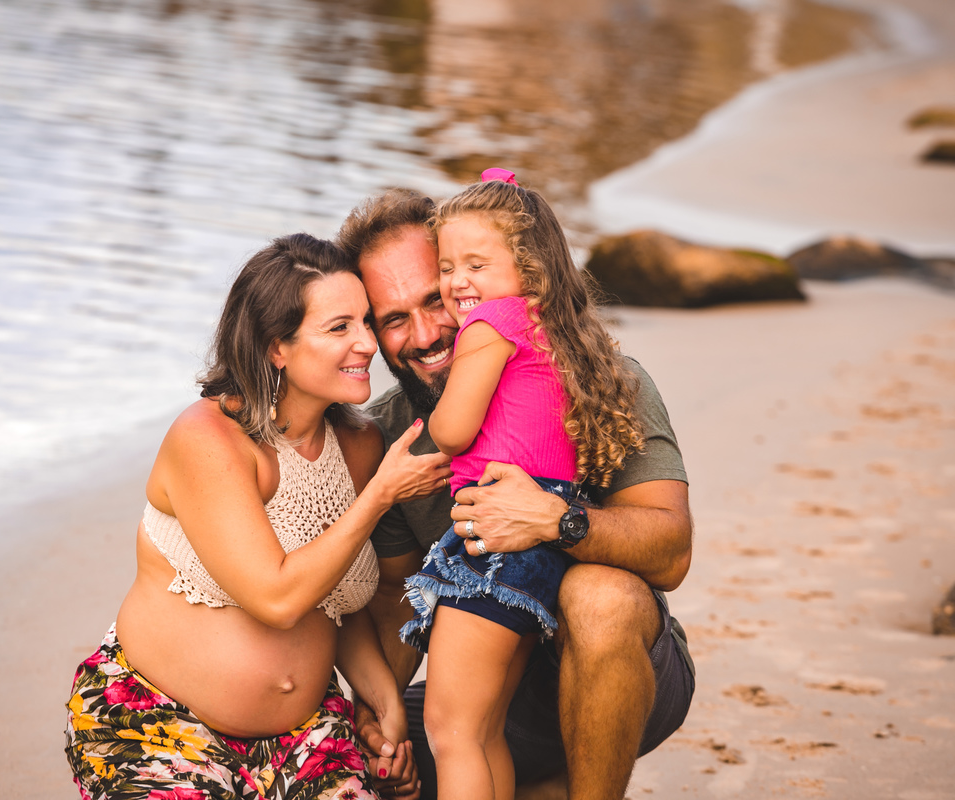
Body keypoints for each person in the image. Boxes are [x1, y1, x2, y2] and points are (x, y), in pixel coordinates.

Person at [337, 186, 696, 800]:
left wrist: (558, 520)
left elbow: (671, 552)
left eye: (436, 299)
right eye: (393, 319)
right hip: (497, 684)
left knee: (599, 597)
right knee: (376, 760)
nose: (425, 335)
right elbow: (397, 598)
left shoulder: (600, 380)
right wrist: (375, 715)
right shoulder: (390, 433)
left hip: (619, 669)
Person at [64, 233, 451, 800]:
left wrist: (383, 704)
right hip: (158, 725)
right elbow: (279, 598)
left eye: (367, 322)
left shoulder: (362, 445)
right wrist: (378, 498)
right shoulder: (209, 438)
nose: (368, 343)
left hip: (305, 737)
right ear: (277, 348)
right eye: (339, 327)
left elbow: (334, 603)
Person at [394, 169, 650, 800]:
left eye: (476, 264)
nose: (457, 282)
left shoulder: (490, 325)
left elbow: (454, 431)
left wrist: (433, 422)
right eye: (447, 267)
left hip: (495, 539)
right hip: (536, 542)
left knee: (453, 730)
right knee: (484, 731)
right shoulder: (557, 334)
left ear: (529, 269)